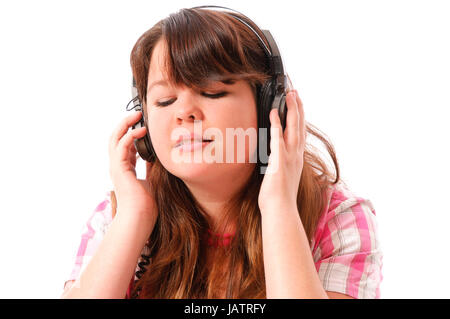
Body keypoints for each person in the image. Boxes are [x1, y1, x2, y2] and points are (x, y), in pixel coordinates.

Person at [61, 7, 383, 299]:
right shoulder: (117, 216)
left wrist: (279, 207)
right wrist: (135, 217)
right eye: (164, 101)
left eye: (211, 92)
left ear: (268, 107)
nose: (184, 112)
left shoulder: (338, 219)